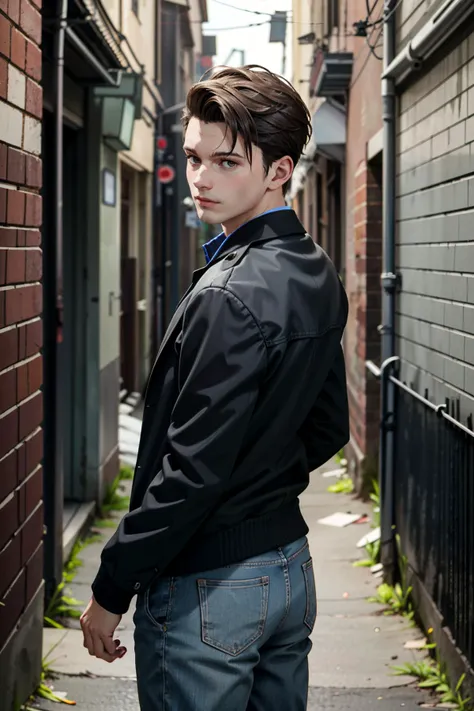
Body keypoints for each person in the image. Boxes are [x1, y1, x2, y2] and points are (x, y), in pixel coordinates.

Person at [80, 65, 349, 710]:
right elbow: (329, 426)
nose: (202, 178)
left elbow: (190, 471)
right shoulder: (314, 270)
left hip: (211, 585)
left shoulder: (229, 294)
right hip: (287, 569)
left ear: (280, 169)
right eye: (195, 157)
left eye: (226, 161)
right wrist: (258, 479)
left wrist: (111, 588)